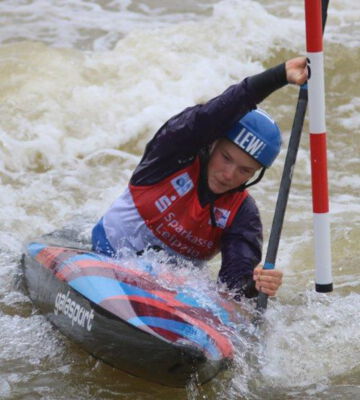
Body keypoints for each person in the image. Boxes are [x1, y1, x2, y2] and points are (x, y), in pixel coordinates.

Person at [92, 57, 308, 300]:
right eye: (226, 158)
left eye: (245, 171)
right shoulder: (171, 155)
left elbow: (233, 286)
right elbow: (210, 115)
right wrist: (278, 76)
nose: (229, 175)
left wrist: (256, 284)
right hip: (107, 256)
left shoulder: (242, 214)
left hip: (168, 290)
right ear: (212, 144)